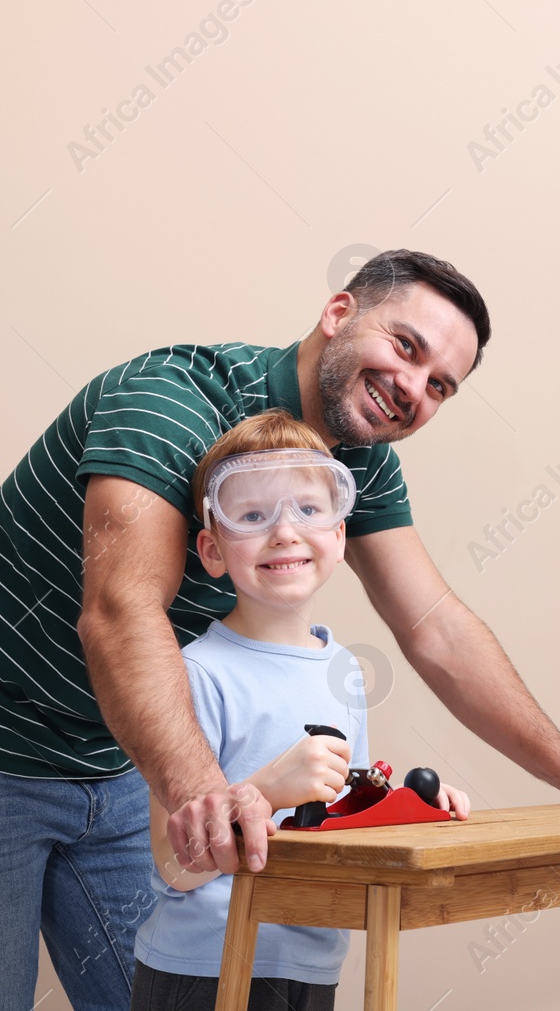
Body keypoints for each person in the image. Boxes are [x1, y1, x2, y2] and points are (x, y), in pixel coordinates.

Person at [0, 249, 560, 1011]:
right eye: (405, 346)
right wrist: (204, 796)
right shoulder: (172, 400)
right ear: (337, 312)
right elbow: (121, 615)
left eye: (440, 385)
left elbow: (434, 625)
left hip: (117, 753)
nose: (412, 386)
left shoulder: (357, 461)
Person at [131, 410, 470, 1011]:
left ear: (339, 536)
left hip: (312, 958)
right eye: (253, 515)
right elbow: (172, 867)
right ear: (212, 550)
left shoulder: (344, 671)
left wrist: (412, 804)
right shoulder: (194, 675)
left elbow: (345, 818)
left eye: (309, 510)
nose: (284, 532)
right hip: (205, 967)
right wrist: (262, 790)